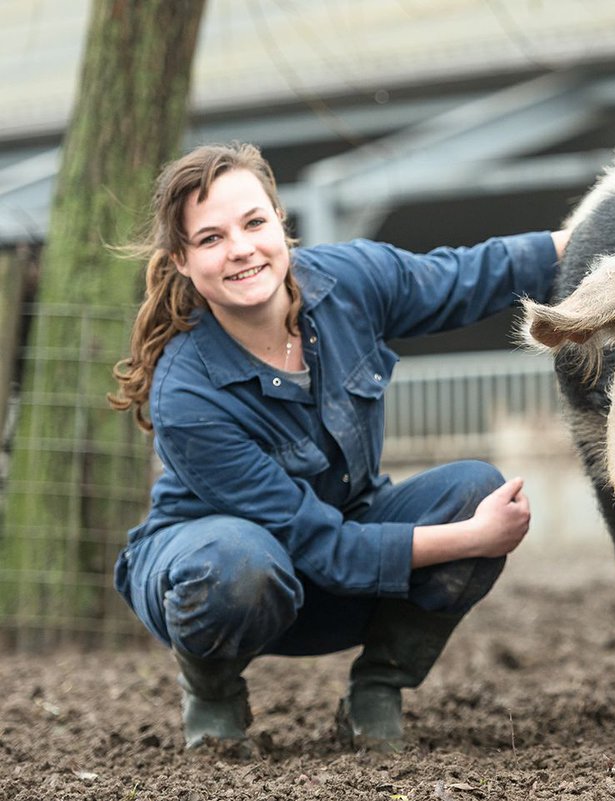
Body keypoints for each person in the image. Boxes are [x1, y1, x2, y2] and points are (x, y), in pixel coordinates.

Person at [108, 142, 569, 753]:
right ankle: (212, 690)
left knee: (474, 493)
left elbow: (465, 277)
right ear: (182, 261)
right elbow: (315, 544)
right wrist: (472, 540)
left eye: (254, 222)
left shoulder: (347, 282)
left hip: (337, 568)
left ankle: (378, 687)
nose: (242, 248)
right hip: (221, 582)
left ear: (281, 224)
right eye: (212, 238)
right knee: (239, 562)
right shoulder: (188, 393)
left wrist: (590, 233)